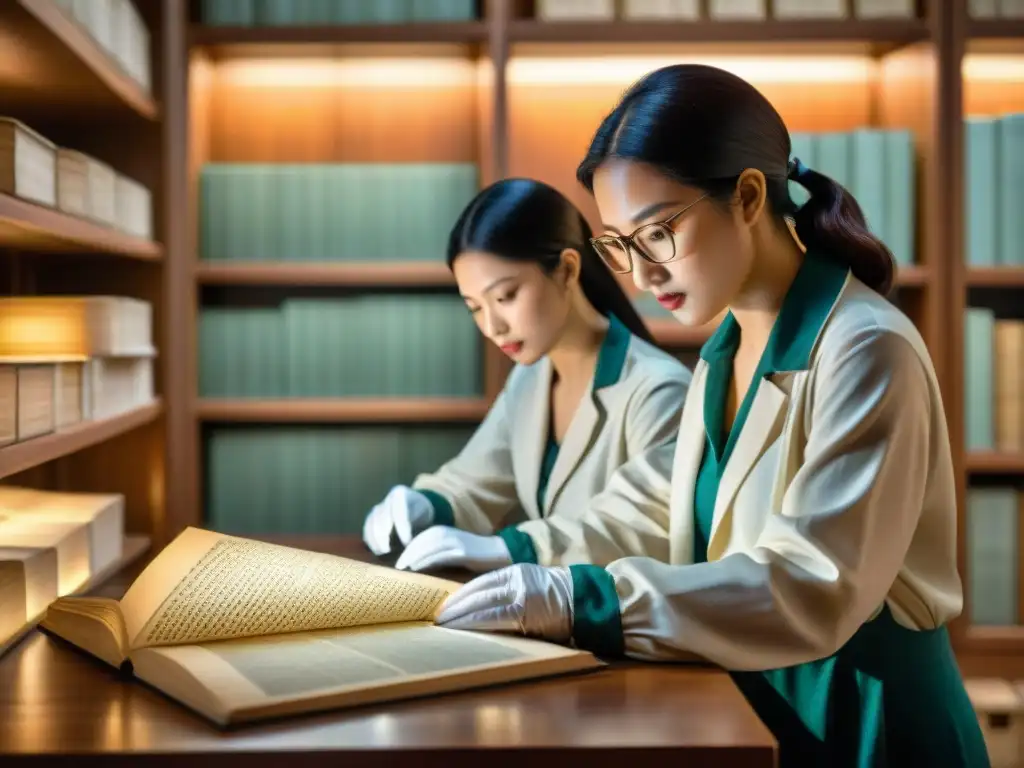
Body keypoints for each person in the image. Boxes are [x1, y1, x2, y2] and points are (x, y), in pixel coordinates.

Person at [433, 65, 989, 767]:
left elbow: (812, 582)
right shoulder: (726, 348)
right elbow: (657, 501)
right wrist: (519, 555)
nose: (639, 275)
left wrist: (590, 601)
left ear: (749, 196)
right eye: (620, 245)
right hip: (767, 711)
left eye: (657, 233)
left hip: (869, 724)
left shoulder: (866, 349)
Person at [362, 177, 692, 574]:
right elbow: (476, 480)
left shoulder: (658, 391)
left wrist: (511, 548)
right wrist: (424, 503)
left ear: (568, 269)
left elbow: (636, 528)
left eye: (504, 297)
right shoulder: (530, 377)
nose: (492, 327)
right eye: (474, 307)